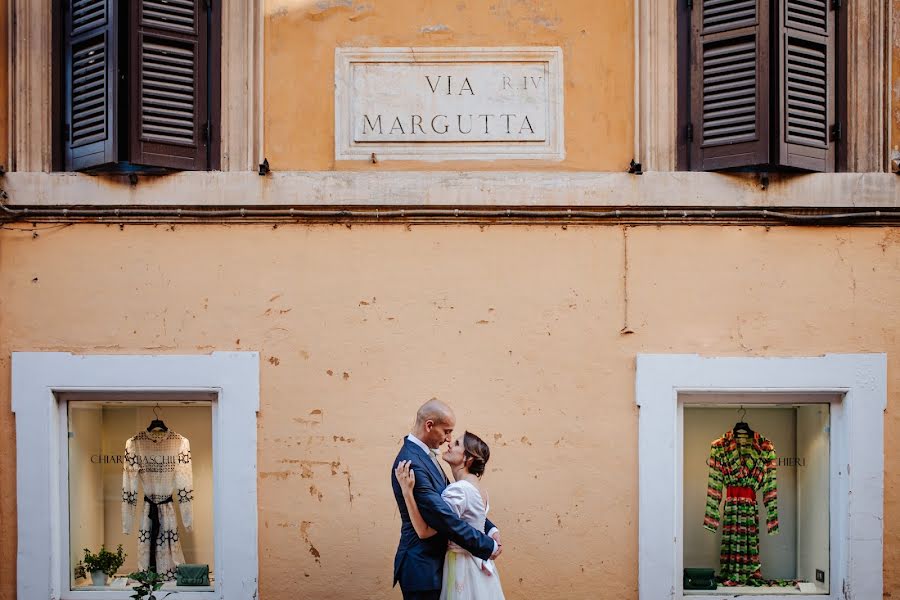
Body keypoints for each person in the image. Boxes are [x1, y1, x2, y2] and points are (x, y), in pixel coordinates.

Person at [391, 400, 502, 600]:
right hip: (423, 567)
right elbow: (443, 517)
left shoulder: (425, 456)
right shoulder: (411, 462)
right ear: (429, 425)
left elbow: (458, 505)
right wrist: (487, 545)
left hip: (438, 565)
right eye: (447, 431)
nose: (449, 439)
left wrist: (489, 527)